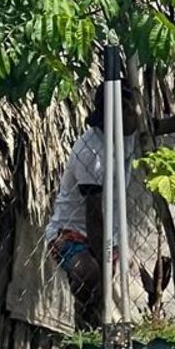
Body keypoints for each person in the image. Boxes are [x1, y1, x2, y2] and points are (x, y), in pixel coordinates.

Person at [45, 81, 141, 328]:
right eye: (129, 111)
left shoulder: (129, 132)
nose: (136, 117)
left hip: (109, 232)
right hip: (71, 232)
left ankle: (89, 339)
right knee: (91, 278)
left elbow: (156, 128)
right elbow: (93, 213)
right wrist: (103, 258)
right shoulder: (91, 151)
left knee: (97, 298)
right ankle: (87, 339)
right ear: (114, 116)